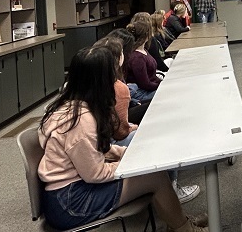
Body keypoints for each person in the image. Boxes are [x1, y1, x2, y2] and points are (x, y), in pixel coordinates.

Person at [37, 46, 207, 232]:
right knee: (155, 176)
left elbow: (97, 150)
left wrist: (127, 153)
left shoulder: (72, 106)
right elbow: (96, 174)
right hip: (71, 203)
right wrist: (132, 164)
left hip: (70, 193)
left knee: (153, 171)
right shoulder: (80, 121)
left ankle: (178, 223)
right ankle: (185, 229)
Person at [94, 36, 200, 204]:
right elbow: (120, 132)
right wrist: (133, 128)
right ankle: (172, 189)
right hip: (109, 145)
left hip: (101, 145)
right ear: (117, 58)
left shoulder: (94, 83)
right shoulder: (117, 87)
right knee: (159, 137)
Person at [124, 19, 161, 103]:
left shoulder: (143, 50)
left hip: (151, 86)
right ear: (146, 35)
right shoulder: (137, 58)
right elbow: (145, 84)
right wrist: (161, 85)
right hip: (143, 92)